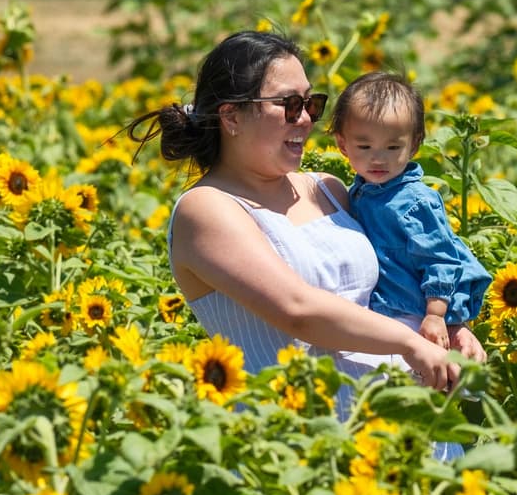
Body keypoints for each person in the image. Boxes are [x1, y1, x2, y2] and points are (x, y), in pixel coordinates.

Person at [124, 30, 483, 414]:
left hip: (404, 417)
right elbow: (298, 311)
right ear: (231, 116)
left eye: (312, 103)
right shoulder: (207, 209)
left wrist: (450, 325)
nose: (307, 118)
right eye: (290, 104)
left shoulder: (328, 189)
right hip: (299, 435)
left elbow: (404, 267)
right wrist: (410, 343)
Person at [326, 71, 491, 361]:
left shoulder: (415, 202)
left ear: (413, 145)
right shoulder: (360, 190)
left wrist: (437, 315)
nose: (379, 158)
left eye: (393, 147)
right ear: (342, 145)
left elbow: (440, 259)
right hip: (386, 310)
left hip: (417, 313)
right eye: (364, 147)